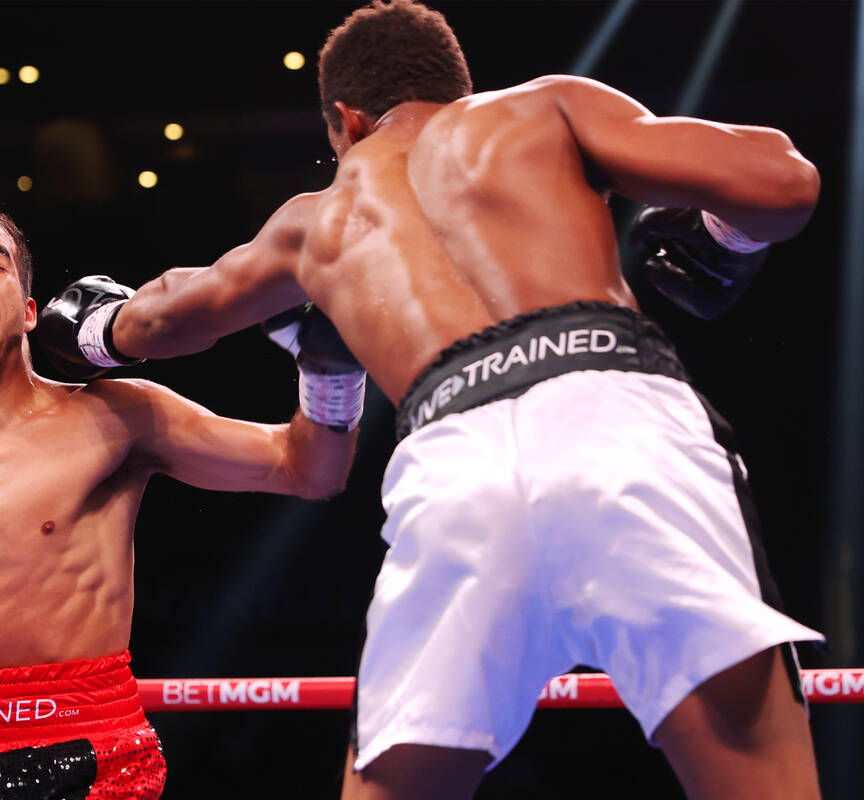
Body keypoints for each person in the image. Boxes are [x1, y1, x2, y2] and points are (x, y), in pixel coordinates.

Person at [56, 1, 825, 798]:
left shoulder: (312, 223)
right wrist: (722, 238)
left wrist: (91, 328)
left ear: (344, 121)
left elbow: (162, 318)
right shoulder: (539, 109)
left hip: (455, 463)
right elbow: (785, 180)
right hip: (616, 416)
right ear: (459, 89)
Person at [0, 190, 360, 800]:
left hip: (87, 752)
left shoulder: (115, 416)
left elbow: (309, 469)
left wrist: (332, 370)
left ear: (26, 311)